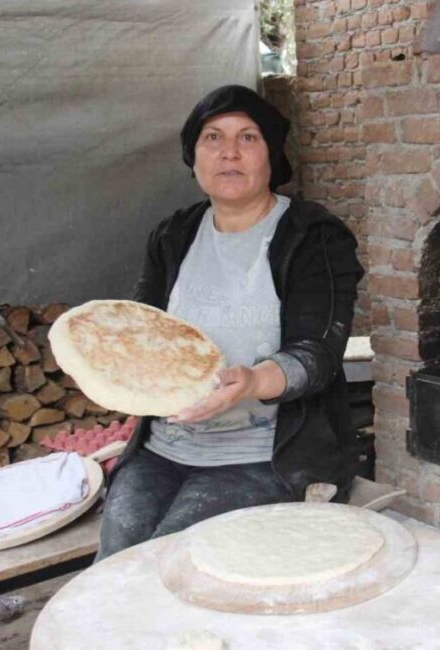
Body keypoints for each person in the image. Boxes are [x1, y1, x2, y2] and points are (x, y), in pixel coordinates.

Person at [94, 85, 364, 562]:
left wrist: (252, 380)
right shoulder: (173, 235)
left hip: (266, 455)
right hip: (165, 446)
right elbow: (146, 334)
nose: (229, 153)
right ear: (193, 157)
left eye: (248, 138)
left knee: (169, 564)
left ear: (272, 156)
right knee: (115, 562)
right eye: (213, 138)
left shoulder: (313, 236)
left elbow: (317, 355)